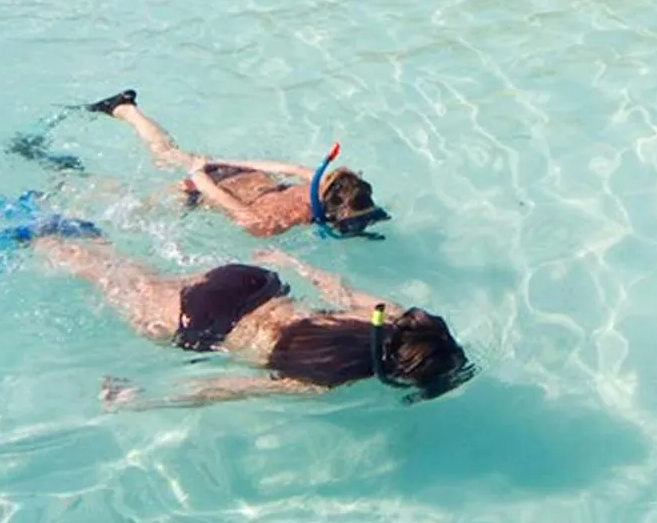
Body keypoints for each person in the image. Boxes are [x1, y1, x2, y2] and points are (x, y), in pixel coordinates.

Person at [32, 234, 473, 409]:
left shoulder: (388, 317)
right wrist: (141, 401)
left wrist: (288, 259)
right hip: (206, 324)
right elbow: (221, 389)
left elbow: (334, 286)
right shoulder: (323, 378)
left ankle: (62, 229)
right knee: (98, 274)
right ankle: (35, 237)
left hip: (253, 284)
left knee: (126, 266)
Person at [84, 90, 385, 237]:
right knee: (133, 210)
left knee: (167, 154)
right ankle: (120, 115)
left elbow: (284, 168)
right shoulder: (276, 222)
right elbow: (232, 208)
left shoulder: (321, 182)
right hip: (201, 190)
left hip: (238, 173)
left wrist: (222, 162)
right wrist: (198, 175)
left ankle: (126, 109)